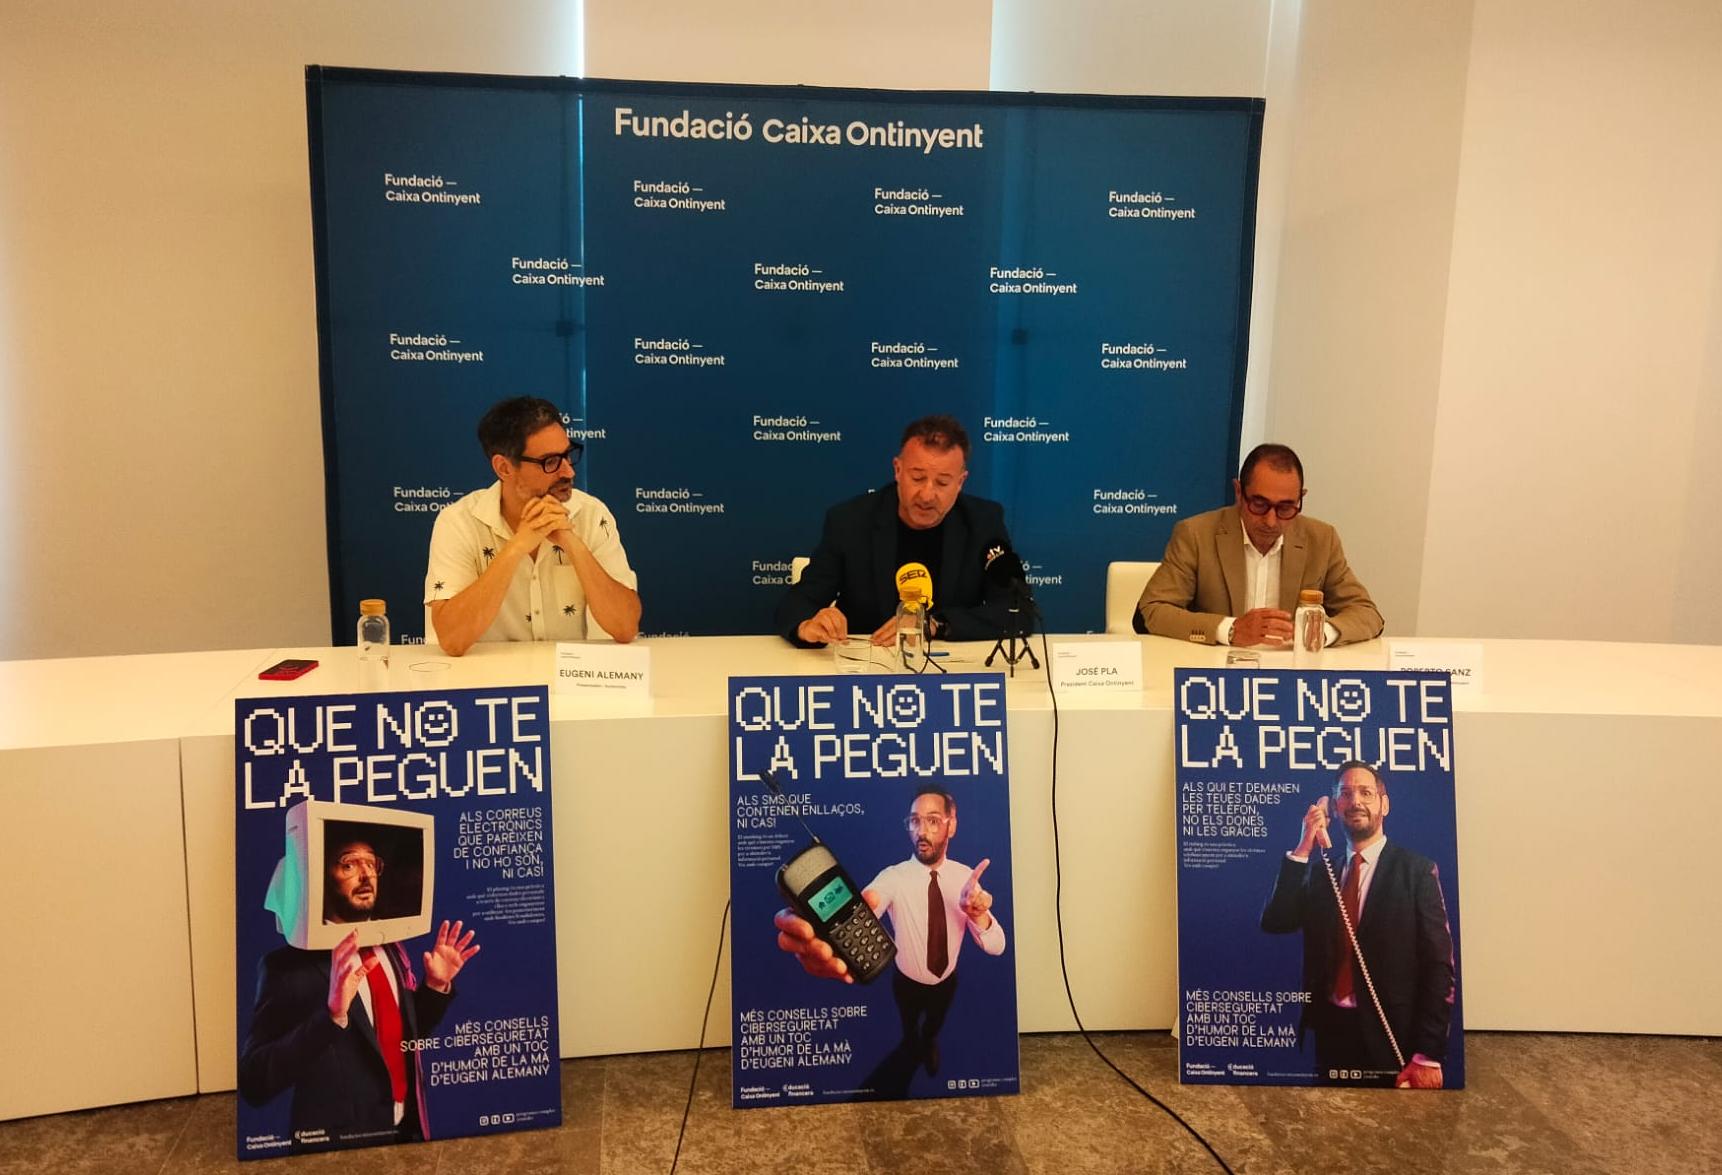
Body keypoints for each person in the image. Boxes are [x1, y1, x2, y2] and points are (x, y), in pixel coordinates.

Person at [239, 837, 480, 1145]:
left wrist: (435, 986)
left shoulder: (391, 947)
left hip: (406, 1132)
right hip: (341, 1150)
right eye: (349, 864)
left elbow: (401, 1035)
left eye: (371, 864)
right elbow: (254, 1082)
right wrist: (331, 1016)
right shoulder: (286, 966)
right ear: (321, 875)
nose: (366, 876)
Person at [774, 787, 1006, 1093]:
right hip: (905, 982)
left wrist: (978, 915)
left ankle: (928, 1042)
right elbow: (871, 902)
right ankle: (913, 1045)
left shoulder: (966, 880)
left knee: (934, 1024)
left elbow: (997, 946)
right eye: (914, 821)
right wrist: (839, 922)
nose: (922, 831)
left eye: (933, 821)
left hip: (947, 982)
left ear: (952, 824)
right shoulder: (892, 877)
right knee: (909, 1027)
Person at [1260, 762, 1455, 1088]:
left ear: (1384, 804)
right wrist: (1305, 845)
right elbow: (1276, 922)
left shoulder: (1416, 871)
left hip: (1391, 1033)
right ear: (1333, 808)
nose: (1356, 802)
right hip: (1331, 1031)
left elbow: (1439, 966)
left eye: (1366, 792)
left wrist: (1429, 1053)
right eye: (1345, 794)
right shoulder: (1325, 872)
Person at [776, 415, 1019, 647]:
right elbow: (800, 601)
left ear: (960, 482)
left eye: (942, 482)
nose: (927, 495)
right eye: (917, 478)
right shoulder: (850, 521)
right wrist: (807, 625)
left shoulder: (984, 522)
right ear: (898, 470)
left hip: (952, 669)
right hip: (867, 667)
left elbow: (1018, 609)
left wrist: (935, 624)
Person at [426, 396, 640, 655]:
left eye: (567, 455)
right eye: (550, 462)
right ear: (504, 468)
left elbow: (625, 627)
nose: (568, 472)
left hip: (572, 684)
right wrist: (516, 548)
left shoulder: (591, 514)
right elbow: (452, 640)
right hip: (492, 686)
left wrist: (572, 543)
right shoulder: (458, 523)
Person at [1135, 443, 1382, 647]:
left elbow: (1367, 614)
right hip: (1215, 673)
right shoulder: (1196, 534)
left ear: (1300, 499)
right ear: (1239, 492)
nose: (1271, 521)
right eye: (1260, 504)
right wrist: (1230, 629)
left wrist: (1320, 633)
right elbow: (1150, 612)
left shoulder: (1321, 539)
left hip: (1290, 678)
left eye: (1285, 507)